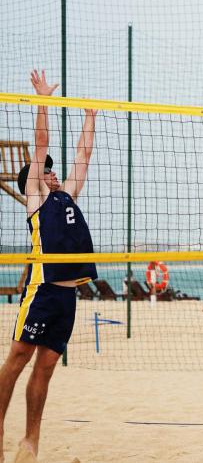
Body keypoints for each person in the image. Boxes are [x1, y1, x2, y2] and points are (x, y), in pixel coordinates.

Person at [0, 70, 98, 462]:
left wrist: (91, 115)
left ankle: (30, 441)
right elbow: (40, 145)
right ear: (34, 182)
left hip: (67, 297)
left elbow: (84, 155)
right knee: (17, 360)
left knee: (46, 367)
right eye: (46, 170)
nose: (53, 172)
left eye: (55, 171)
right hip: (41, 291)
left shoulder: (67, 196)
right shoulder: (36, 198)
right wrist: (42, 98)